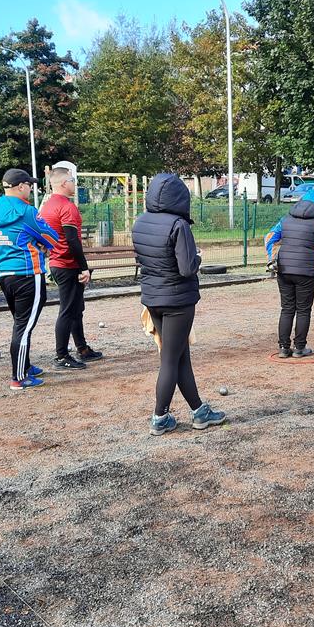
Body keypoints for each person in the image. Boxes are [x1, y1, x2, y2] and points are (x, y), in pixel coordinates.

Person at [132, 172, 225, 436]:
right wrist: (198, 257)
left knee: (180, 356)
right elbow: (186, 268)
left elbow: (143, 260)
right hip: (178, 301)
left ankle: (199, 411)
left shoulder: (140, 222)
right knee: (171, 359)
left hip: (153, 297)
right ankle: (160, 417)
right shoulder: (178, 225)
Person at [0, 168, 60, 390]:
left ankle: (26, 366)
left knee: (20, 323)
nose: (31, 188)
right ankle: (18, 377)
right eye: (29, 185)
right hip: (28, 274)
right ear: (20, 186)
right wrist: (39, 243)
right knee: (24, 327)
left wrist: (34, 241)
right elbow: (52, 238)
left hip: (5, 273)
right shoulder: (27, 211)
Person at [38, 160, 102, 370]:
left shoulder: (47, 206)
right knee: (68, 310)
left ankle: (82, 348)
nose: (75, 184)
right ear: (65, 183)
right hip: (68, 264)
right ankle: (61, 355)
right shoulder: (67, 207)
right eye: (73, 180)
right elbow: (73, 240)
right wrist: (84, 267)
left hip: (57, 262)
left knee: (75, 308)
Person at [264, 188, 314, 358]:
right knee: (303, 310)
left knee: (286, 309)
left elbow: (269, 238)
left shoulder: (285, 220)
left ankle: (283, 348)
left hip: (284, 270)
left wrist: (272, 259)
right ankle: (299, 348)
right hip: (307, 272)